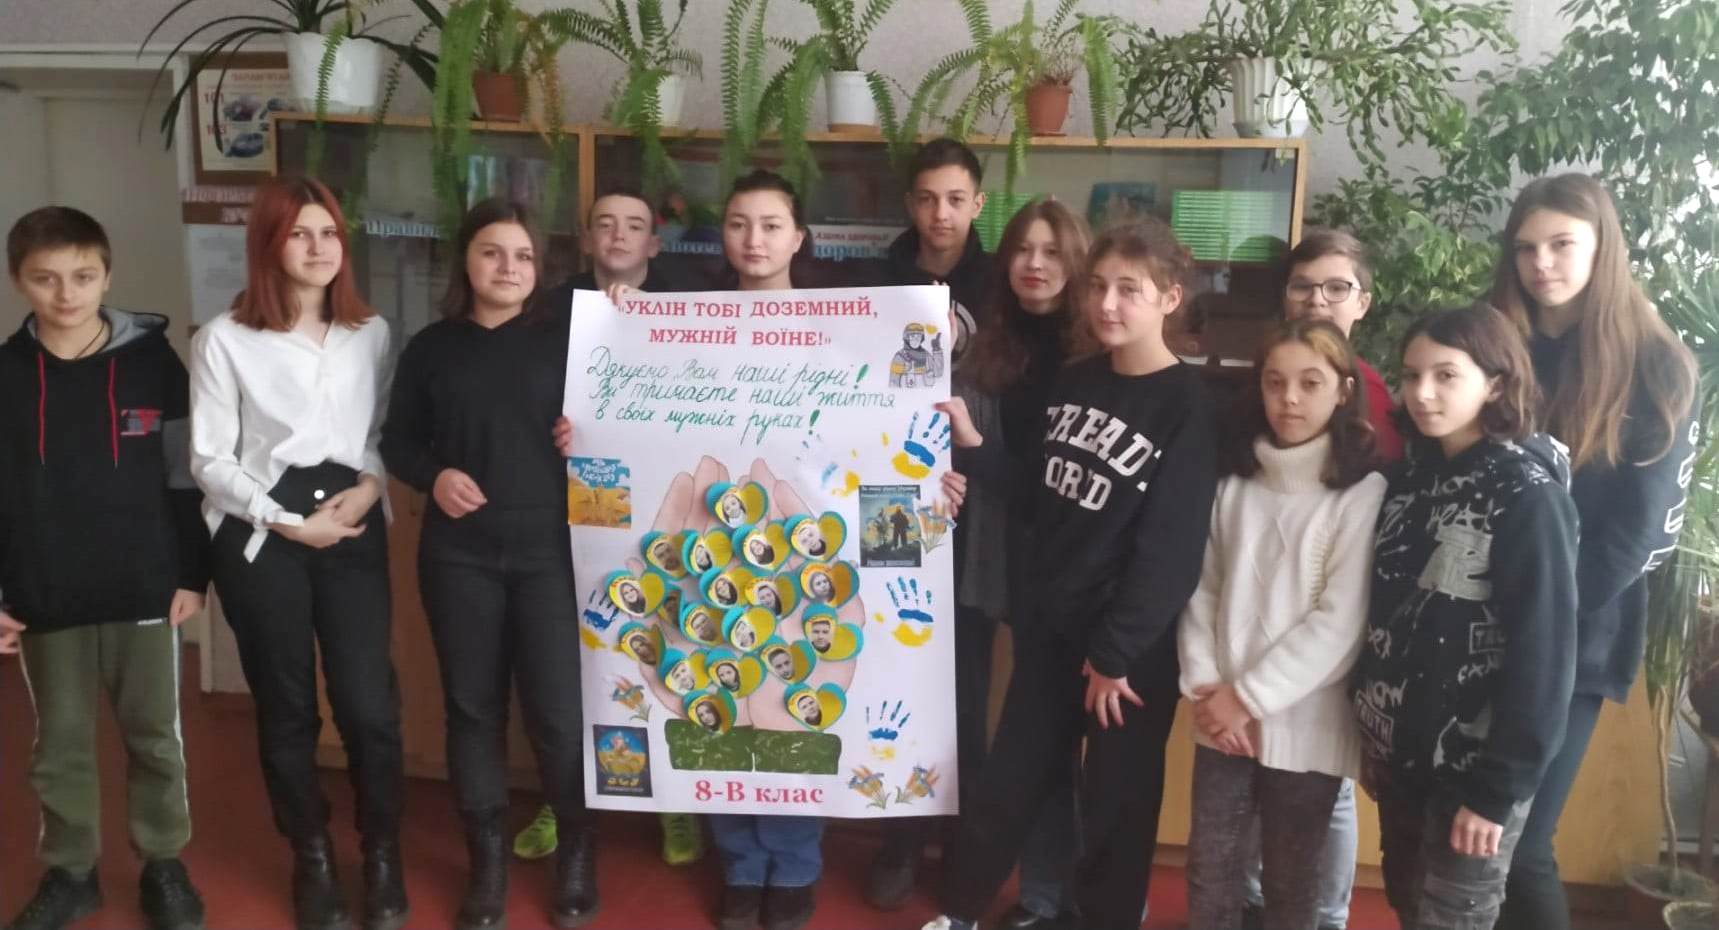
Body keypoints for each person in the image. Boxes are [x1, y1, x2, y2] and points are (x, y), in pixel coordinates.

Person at [923, 219, 1219, 930]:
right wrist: (974, 449)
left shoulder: (1190, 405)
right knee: (1010, 781)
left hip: (1125, 655)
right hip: (1050, 631)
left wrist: (1114, 654)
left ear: (1169, 298)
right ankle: (958, 914)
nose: (1107, 304)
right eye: (1098, 287)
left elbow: (1171, 548)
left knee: (1117, 805)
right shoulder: (1078, 378)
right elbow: (1039, 495)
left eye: (1129, 290)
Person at [189, 176, 406, 930]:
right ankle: (310, 854)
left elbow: (376, 433)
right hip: (262, 538)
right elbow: (209, 460)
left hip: (350, 524)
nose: (318, 248)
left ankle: (381, 853)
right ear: (269, 245)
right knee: (286, 707)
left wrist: (372, 485)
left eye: (329, 233)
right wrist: (284, 519)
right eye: (299, 234)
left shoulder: (369, 333)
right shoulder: (224, 339)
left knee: (368, 705)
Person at [380, 198, 598, 930]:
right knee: (472, 711)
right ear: (465, 261)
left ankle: (576, 853)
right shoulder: (431, 348)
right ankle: (488, 863)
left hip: (550, 555)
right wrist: (433, 475)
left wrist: (585, 434)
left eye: (523, 256)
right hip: (459, 557)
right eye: (492, 252)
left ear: (540, 269)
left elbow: (620, 426)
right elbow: (397, 442)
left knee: (558, 716)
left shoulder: (567, 342)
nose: (509, 267)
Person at [1489, 175, 1698, 930]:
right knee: (1468, 833)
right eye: (1525, 248)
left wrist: (1539, 619)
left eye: (1561, 244)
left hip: (1576, 635)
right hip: (1474, 615)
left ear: (1603, 246)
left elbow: (1636, 535)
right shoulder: (1494, 343)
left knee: (1521, 844)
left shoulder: (1656, 363)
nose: (1541, 263)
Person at [881, 198, 1096, 925]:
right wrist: (944, 475)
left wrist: (976, 456)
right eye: (1023, 250)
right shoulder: (987, 342)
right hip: (983, 550)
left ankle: (1049, 895)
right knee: (986, 722)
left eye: (1052, 251)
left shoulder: (1096, 354)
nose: (1035, 264)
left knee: (1049, 742)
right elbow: (924, 422)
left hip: (1064, 563)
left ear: (1077, 262)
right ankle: (980, 870)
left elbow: (1046, 483)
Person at [0, 207, 210, 930]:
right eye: (46, 279)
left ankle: (163, 862)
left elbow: (184, 477)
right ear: (18, 281)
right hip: (43, 591)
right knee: (58, 743)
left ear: (107, 275)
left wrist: (192, 573)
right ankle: (71, 871)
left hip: (145, 585)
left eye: (83, 276)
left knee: (155, 734)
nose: (67, 294)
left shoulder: (154, 364)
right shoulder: (5, 375)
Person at [1351, 305, 1579, 930]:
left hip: (1474, 773)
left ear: (1496, 384)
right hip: (1401, 759)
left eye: (1446, 375)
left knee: (1452, 918)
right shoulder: (1405, 481)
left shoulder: (1530, 497)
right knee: (1408, 905)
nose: (1422, 393)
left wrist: (1496, 792)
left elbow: (1545, 658)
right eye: (1411, 375)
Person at [1179, 318, 1387, 930]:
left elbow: (1339, 623)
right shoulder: (1233, 486)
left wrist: (1247, 697)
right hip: (1221, 720)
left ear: (1343, 391)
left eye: (1309, 383)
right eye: (1275, 383)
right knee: (1210, 873)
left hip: (1307, 724)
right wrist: (1208, 690)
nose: (1289, 399)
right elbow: (1202, 592)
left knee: (1292, 887)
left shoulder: (1362, 493)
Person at [1239, 228, 1403, 930]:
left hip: (1346, 608)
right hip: (1268, 615)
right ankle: (1258, 902)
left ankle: (1326, 915)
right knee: (1261, 781)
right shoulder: (1266, 379)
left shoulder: (1376, 395)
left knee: (1325, 787)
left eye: (1336, 287)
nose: (1318, 300)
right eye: (1303, 286)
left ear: (1362, 301)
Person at [868, 136, 996, 911]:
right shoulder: (876, 280)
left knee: (964, 686)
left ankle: (963, 844)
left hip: (971, 504)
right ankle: (899, 837)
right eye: (925, 199)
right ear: (909, 204)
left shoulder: (1003, 283)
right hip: (888, 503)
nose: (939, 214)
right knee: (897, 671)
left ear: (977, 203)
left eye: (954, 199)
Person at [698, 169, 828, 930]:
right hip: (711, 540)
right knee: (721, 689)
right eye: (739, 223)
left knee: (788, 694)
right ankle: (741, 865)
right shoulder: (684, 324)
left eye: (771, 225)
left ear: (797, 238)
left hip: (799, 543)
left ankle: (795, 863)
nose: (754, 239)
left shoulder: (836, 326)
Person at [536, 184, 676, 315]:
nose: (619, 235)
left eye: (634, 227)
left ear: (653, 246)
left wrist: (652, 311)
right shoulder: (552, 307)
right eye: (605, 225)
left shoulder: (679, 308)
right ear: (586, 241)